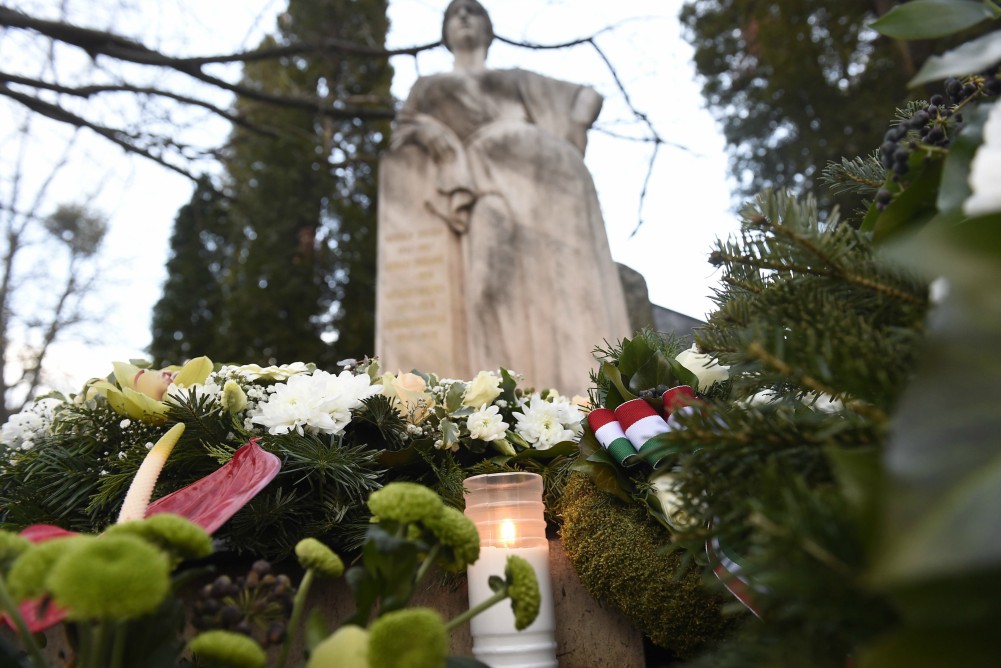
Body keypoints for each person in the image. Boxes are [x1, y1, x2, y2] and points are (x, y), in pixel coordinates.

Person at [375, 0, 631, 395]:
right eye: (454, 12)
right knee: (486, 287)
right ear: (444, 33)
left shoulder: (514, 78)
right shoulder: (429, 87)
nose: (463, 16)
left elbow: (587, 98)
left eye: (473, 11)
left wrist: (574, 133)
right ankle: (500, 398)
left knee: (565, 283)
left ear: (489, 29)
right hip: (482, 178)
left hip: (550, 178)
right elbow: (402, 132)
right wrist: (431, 133)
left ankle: (578, 395)